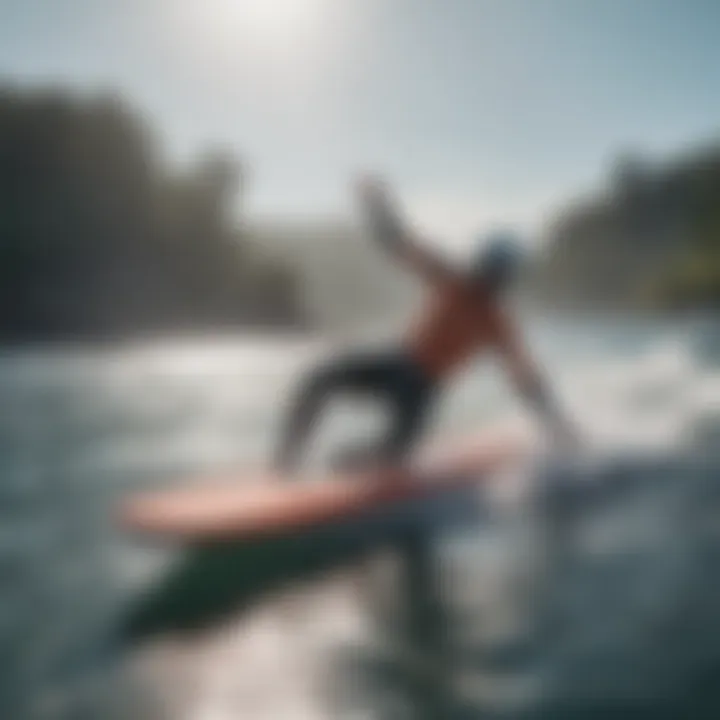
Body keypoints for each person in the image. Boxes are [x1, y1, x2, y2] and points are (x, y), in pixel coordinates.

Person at [274, 176, 578, 473]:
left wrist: (559, 428)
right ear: (481, 263)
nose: (490, 277)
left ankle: (358, 460)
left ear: (507, 277)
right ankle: (284, 466)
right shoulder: (450, 277)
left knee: (381, 462)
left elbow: (527, 381)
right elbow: (397, 243)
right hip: (397, 363)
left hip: (421, 390)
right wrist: (376, 204)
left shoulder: (496, 322)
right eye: (488, 268)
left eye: (499, 273)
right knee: (318, 380)